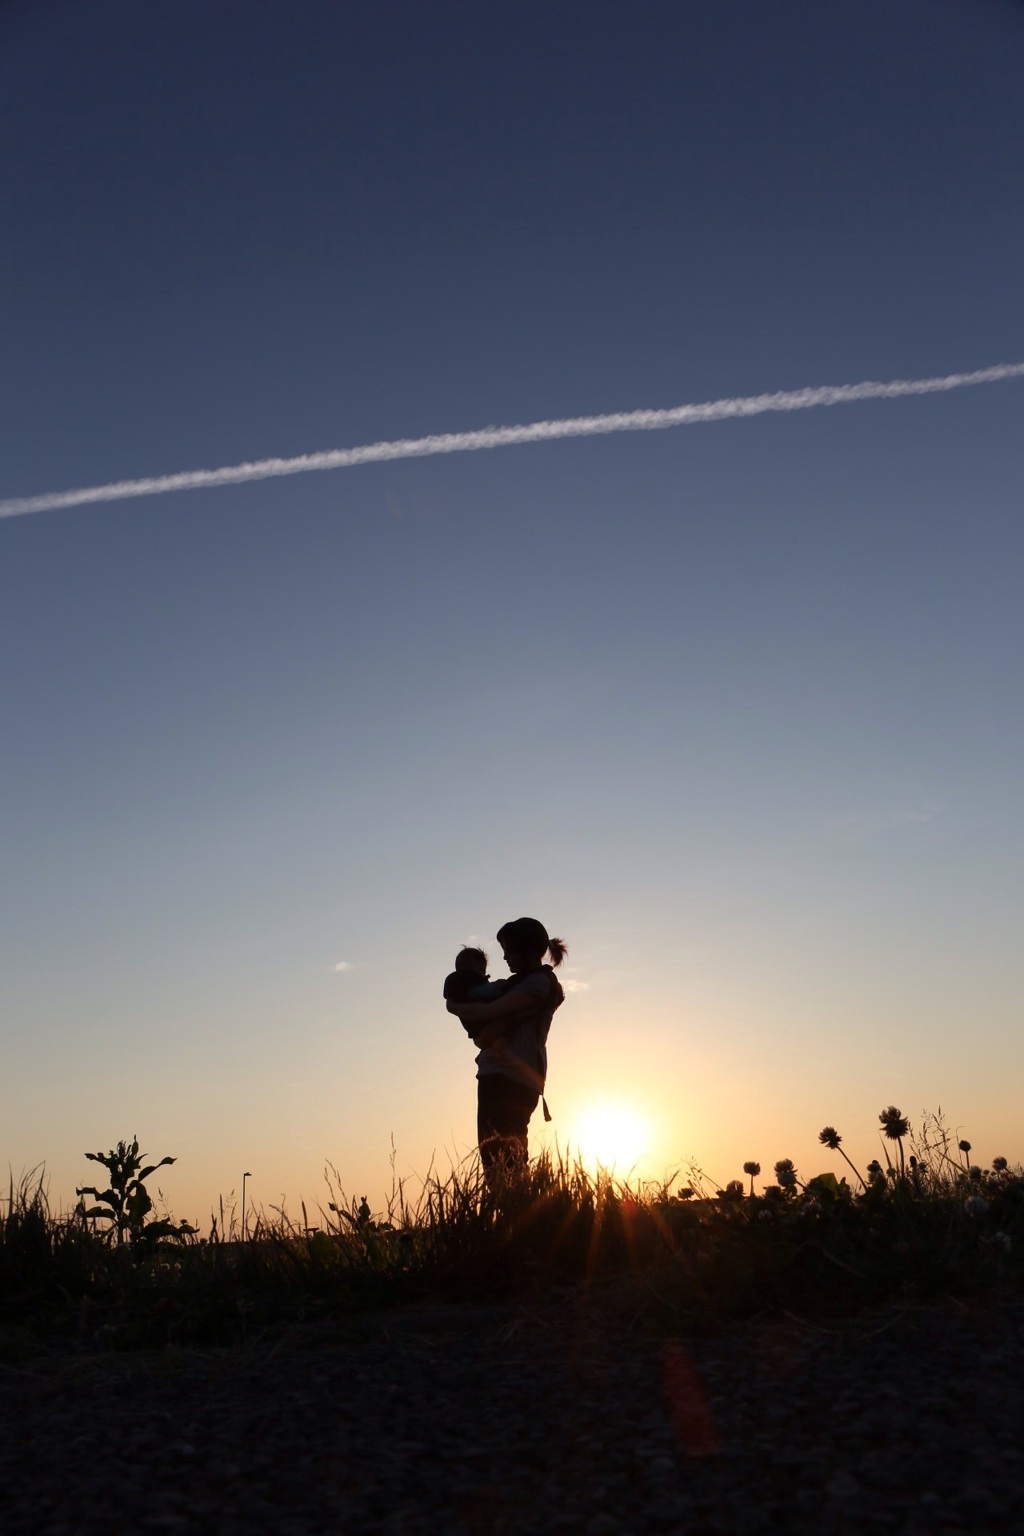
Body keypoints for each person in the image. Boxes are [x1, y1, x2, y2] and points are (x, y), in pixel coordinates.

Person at [446, 917, 567, 1182]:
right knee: (502, 1157)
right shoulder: (523, 983)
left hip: (508, 1076)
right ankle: (516, 1214)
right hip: (508, 1075)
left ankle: (517, 1214)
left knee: (500, 1160)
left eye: (509, 951)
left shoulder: (537, 984)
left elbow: (490, 1010)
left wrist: (454, 1007)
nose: (505, 958)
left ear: (525, 950)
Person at [442, 946, 507, 1029]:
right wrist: (499, 984)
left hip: (477, 1028)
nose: (483, 975)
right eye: (482, 971)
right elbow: (487, 991)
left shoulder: (456, 989)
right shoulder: (471, 984)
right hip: (486, 1026)